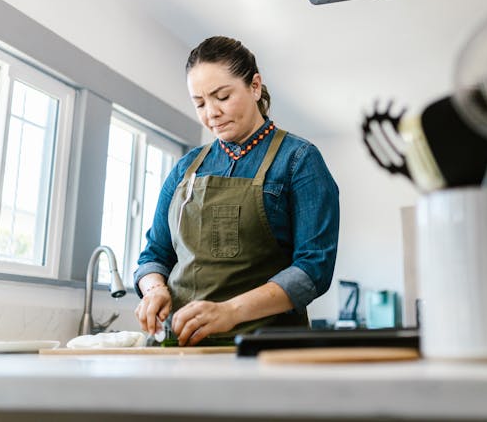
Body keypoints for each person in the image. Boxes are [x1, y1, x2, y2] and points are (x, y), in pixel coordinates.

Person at [133, 35, 340, 346]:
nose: (211, 113)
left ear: (255, 86)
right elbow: (154, 254)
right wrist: (154, 289)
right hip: (178, 347)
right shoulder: (186, 167)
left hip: (264, 349)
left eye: (222, 96)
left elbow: (313, 269)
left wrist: (230, 311)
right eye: (200, 103)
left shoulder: (299, 160)